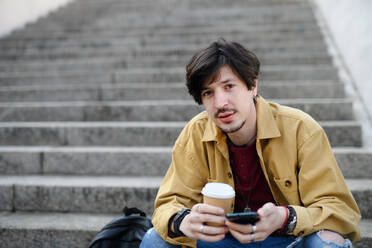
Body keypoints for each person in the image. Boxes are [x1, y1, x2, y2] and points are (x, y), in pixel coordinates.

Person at [140, 39, 361, 248]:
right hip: (222, 241)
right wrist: (182, 221)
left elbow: (340, 210)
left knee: (328, 239)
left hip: (288, 240)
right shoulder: (195, 133)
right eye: (208, 93)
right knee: (155, 239)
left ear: (253, 86)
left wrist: (285, 217)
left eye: (229, 86)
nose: (221, 103)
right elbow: (167, 205)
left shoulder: (301, 129)